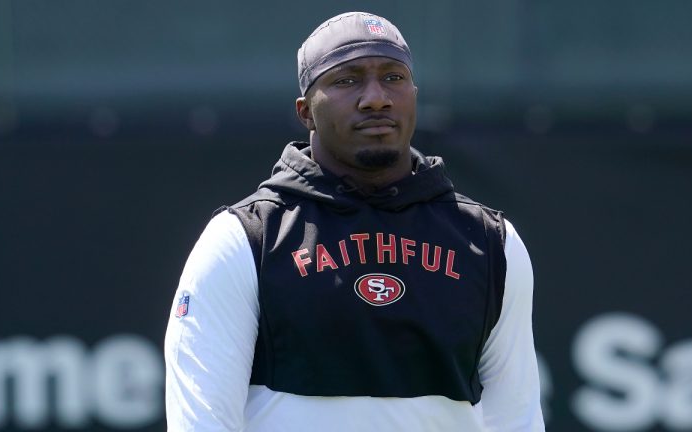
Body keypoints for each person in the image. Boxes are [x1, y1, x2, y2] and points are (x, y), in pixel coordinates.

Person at [165, 11, 545, 431]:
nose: (376, 97)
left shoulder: (491, 243)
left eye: (393, 77)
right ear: (306, 111)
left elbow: (517, 419)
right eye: (347, 80)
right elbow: (201, 422)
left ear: (414, 95)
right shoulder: (244, 240)